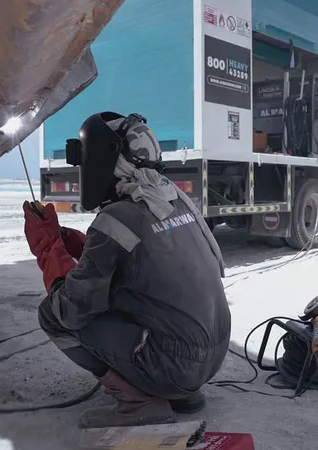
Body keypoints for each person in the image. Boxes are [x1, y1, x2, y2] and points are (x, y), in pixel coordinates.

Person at [22, 112, 231, 429]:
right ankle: (182, 391)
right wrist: (72, 243)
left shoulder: (118, 219)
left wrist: (49, 250)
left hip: (177, 366)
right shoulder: (176, 199)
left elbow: (72, 308)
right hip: (213, 356)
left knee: (52, 316)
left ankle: (141, 400)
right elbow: (143, 258)